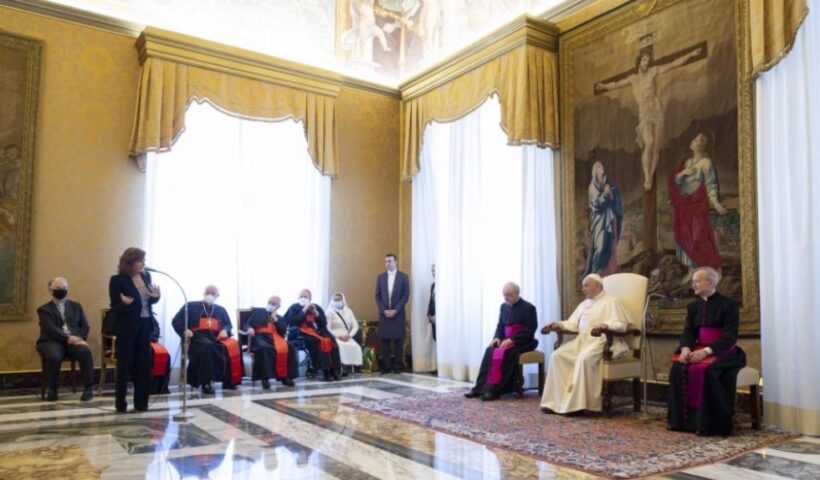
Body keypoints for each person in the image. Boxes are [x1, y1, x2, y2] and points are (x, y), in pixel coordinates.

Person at [596, 43, 702, 191]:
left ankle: (650, 176)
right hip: (645, 113)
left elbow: (672, 64)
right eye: (644, 60)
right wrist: (604, 86)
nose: (646, 63)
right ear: (639, 62)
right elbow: (616, 84)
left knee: (656, 146)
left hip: (657, 110)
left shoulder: (654, 71)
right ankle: (647, 177)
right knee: (649, 142)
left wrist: (690, 54)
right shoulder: (632, 79)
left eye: (648, 60)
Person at [667, 267, 746, 436]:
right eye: (693, 281)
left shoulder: (729, 305)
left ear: (709, 282)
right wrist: (686, 348)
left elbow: (730, 336)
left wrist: (707, 351)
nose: (693, 284)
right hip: (698, 347)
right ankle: (682, 422)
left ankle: (709, 424)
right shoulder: (693, 307)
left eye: (697, 281)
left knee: (707, 371)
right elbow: (688, 332)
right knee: (677, 368)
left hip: (723, 350)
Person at [540, 273, 631, 415]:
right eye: (583, 286)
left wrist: (606, 325)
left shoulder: (612, 301)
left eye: (586, 285)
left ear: (598, 286)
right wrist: (558, 324)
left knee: (584, 359)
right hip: (581, 341)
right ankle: (555, 402)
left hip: (601, 341)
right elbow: (573, 324)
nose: (583, 289)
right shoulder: (584, 304)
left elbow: (622, 325)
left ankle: (579, 405)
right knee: (557, 356)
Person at [464, 282, 538, 401]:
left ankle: (495, 391)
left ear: (517, 293)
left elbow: (530, 330)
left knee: (505, 354)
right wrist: (497, 337)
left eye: (508, 294)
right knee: (490, 350)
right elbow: (500, 326)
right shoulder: (503, 307)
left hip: (523, 341)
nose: (505, 298)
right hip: (506, 340)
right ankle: (479, 389)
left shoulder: (529, 308)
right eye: (504, 295)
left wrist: (512, 339)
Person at [668, 132, 728, 275]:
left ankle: (708, 272)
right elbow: (674, 181)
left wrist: (715, 202)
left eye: (700, 140)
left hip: (697, 206)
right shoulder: (686, 162)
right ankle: (691, 272)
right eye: (695, 139)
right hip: (683, 207)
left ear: (704, 145)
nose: (696, 142)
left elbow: (711, 184)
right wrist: (681, 175)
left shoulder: (706, 163)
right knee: (684, 237)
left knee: (698, 237)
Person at [109, 247, 160, 412]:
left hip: (145, 324)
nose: (144, 263)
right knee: (125, 365)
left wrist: (156, 297)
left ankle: (141, 403)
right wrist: (123, 304)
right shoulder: (117, 280)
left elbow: (148, 302)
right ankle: (120, 403)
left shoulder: (146, 276)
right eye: (141, 260)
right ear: (130, 262)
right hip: (127, 327)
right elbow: (114, 306)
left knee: (143, 365)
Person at [172, 285, 242, 394]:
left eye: (213, 293)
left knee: (234, 345)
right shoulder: (190, 306)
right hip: (196, 338)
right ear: (203, 293)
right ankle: (206, 382)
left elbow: (228, 325)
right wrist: (185, 330)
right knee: (208, 347)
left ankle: (229, 381)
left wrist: (225, 330)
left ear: (217, 296)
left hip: (216, 338)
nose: (210, 295)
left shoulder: (221, 309)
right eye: (208, 292)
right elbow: (176, 321)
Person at [36, 277, 94, 402]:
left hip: (74, 341)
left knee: (85, 351)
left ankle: (88, 389)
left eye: (64, 288)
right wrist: (69, 338)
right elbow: (50, 330)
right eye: (58, 289)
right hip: (51, 341)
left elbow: (85, 326)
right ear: (50, 291)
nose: (61, 291)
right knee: (54, 356)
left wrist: (79, 338)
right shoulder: (44, 310)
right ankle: (52, 390)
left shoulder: (76, 306)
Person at [284, 289, 341, 381]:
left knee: (331, 340)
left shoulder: (316, 307)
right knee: (317, 342)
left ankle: (334, 369)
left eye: (306, 297)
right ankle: (325, 370)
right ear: (298, 298)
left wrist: (316, 313)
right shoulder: (294, 307)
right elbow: (293, 322)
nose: (303, 298)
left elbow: (323, 323)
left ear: (310, 298)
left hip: (318, 331)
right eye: (301, 296)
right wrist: (304, 309)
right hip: (301, 333)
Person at [243, 296, 297, 389]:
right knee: (264, 348)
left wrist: (275, 319)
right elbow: (246, 324)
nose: (270, 305)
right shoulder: (258, 311)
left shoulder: (279, 317)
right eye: (270, 302)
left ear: (278, 306)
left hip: (275, 339)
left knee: (290, 346)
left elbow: (283, 330)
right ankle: (265, 378)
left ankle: (285, 377)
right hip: (259, 338)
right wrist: (249, 328)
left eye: (273, 304)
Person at [584, 161, 623, 277]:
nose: (602, 168)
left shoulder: (607, 183)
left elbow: (613, 198)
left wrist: (612, 194)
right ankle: (596, 274)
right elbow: (595, 204)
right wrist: (605, 194)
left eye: (602, 166)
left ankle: (608, 273)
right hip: (599, 220)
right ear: (595, 171)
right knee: (600, 248)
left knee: (610, 246)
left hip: (610, 220)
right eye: (599, 167)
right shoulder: (593, 186)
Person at [374, 253, 410, 374]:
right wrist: (383, 310)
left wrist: (396, 310)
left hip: (398, 314)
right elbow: (377, 295)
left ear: (396, 262)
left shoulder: (403, 277)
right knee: (385, 342)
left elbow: (405, 296)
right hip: (384, 314)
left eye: (390, 261)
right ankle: (386, 366)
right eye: (386, 262)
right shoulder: (380, 277)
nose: (387, 263)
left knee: (398, 341)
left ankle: (398, 366)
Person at [325, 293, 363, 375]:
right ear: (332, 301)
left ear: (343, 300)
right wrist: (338, 336)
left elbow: (355, 325)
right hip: (335, 336)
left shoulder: (348, 311)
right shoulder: (330, 312)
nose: (337, 301)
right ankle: (341, 367)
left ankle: (350, 367)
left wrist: (349, 335)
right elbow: (327, 328)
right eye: (335, 300)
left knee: (356, 347)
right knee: (340, 346)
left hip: (347, 336)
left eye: (339, 299)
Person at [149, 314, 171, 395]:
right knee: (148, 355)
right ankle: (148, 387)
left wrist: (151, 337)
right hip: (134, 342)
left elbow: (155, 328)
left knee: (165, 355)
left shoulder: (147, 313)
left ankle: (160, 388)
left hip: (149, 341)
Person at [427, 264, 436, 342]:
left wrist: (438, 317)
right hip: (433, 319)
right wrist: (429, 315)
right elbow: (431, 301)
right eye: (432, 271)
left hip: (442, 321)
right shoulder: (433, 285)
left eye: (435, 271)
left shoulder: (446, 286)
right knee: (435, 338)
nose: (433, 273)